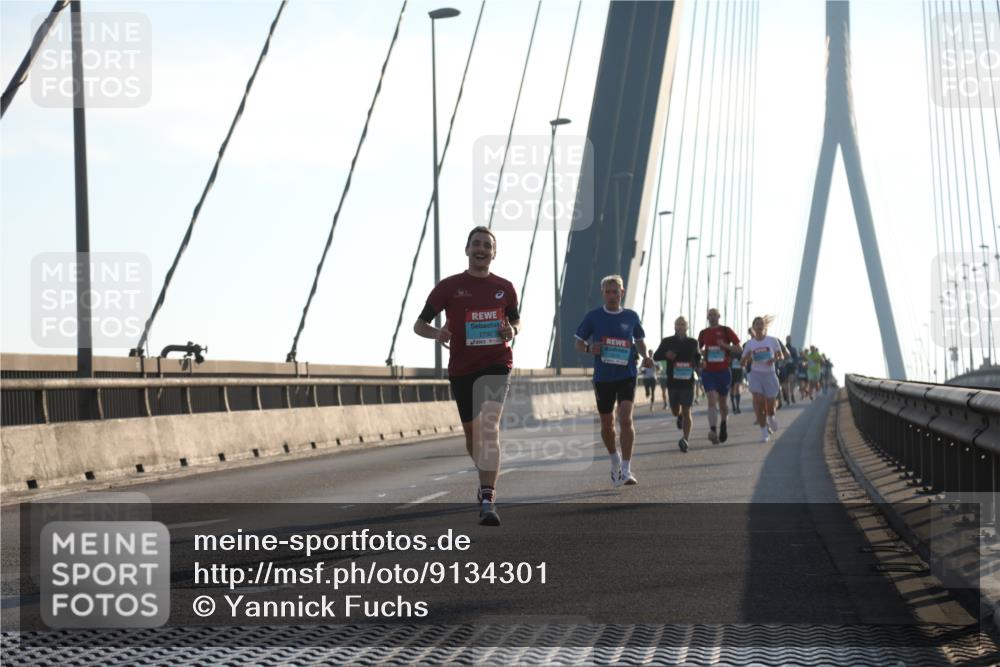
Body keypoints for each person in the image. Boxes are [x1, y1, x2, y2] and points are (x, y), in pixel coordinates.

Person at [414, 226, 520, 526]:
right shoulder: (449, 286)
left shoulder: (505, 287)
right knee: (473, 435)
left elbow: (516, 320)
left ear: (494, 253)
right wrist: (438, 332)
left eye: (487, 245)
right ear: (467, 249)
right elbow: (419, 324)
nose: (481, 249)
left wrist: (512, 330)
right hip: (462, 368)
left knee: (489, 428)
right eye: (476, 244)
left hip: (497, 363)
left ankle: (488, 497)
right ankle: (484, 474)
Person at [574, 275, 654, 486]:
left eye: (615, 292)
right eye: (608, 292)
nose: (612, 295)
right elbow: (579, 344)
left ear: (622, 292)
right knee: (607, 424)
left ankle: (626, 469)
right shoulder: (593, 317)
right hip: (603, 377)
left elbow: (640, 341)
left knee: (625, 418)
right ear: (603, 293)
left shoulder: (631, 316)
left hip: (627, 374)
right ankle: (614, 460)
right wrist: (590, 349)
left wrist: (646, 356)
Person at [652, 316, 702, 452]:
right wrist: (666, 354)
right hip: (673, 382)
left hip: (688, 382)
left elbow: (697, 359)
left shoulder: (693, 342)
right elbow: (656, 356)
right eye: (678, 324)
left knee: (687, 411)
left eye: (683, 324)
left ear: (687, 327)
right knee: (675, 411)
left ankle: (685, 439)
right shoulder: (667, 341)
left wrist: (699, 367)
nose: (680, 326)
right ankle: (678, 416)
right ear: (674, 327)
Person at [696, 308, 742, 444]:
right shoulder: (703, 333)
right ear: (707, 317)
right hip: (708, 372)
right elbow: (697, 351)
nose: (712, 317)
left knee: (722, 403)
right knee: (711, 399)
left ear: (719, 316)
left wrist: (725, 346)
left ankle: (723, 424)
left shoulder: (726, 330)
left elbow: (739, 349)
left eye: (714, 315)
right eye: (710, 315)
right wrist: (701, 356)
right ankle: (713, 430)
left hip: (723, 372)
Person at [741, 316, 784, 443]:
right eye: (757, 324)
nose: (759, 326)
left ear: (765, 327)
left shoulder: (772, 341)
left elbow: (780, 355)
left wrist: (774, 359)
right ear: (753, 327)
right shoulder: (749, 344)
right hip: (755, 375)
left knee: (770, 406)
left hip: (770, 375)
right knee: (759, 403)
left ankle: (771, 418)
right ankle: (764, 431)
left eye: (761, 324)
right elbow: (742, 363)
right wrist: (747, 358)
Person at [782, 335, 798, 404]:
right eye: (788, 339)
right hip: (786, 367)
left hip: (790, 367)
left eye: (789, 339)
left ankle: (790, 395)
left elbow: (796, 359)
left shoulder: (792, 349)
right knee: (787, 383)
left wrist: (796, 365)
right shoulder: (783, 348)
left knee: (790, 382)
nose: (788, 340)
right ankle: (789, 396)